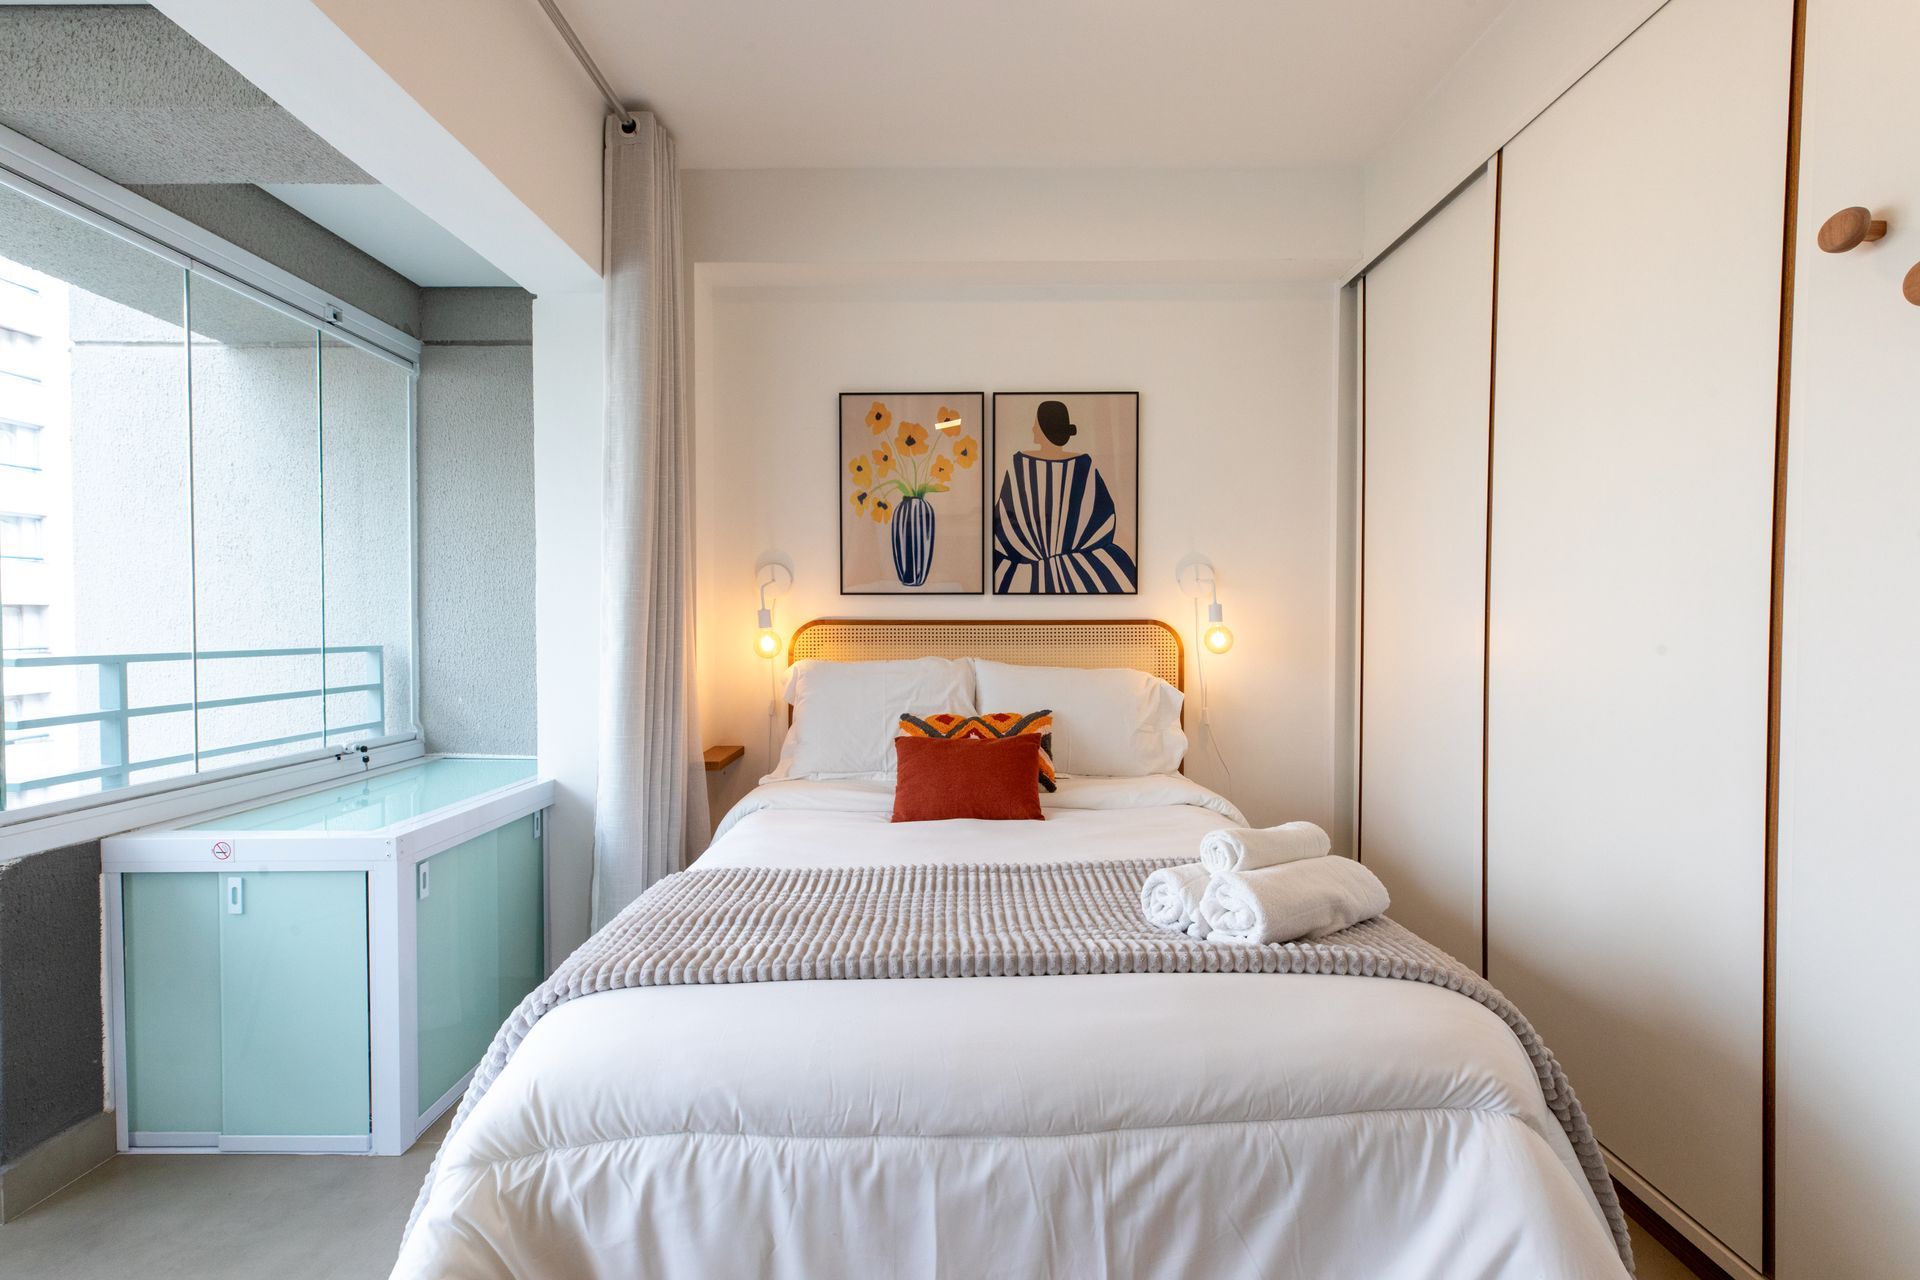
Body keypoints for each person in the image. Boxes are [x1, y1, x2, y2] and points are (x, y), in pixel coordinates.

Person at [992, 400, 1137, 593]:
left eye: (1036, 423)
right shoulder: (1082, 465)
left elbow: (1005, 520)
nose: (1033, 429)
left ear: (1045, 427)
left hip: (1023, 562)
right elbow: (1101, 518)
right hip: (1079, 558)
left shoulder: (1021, 464)